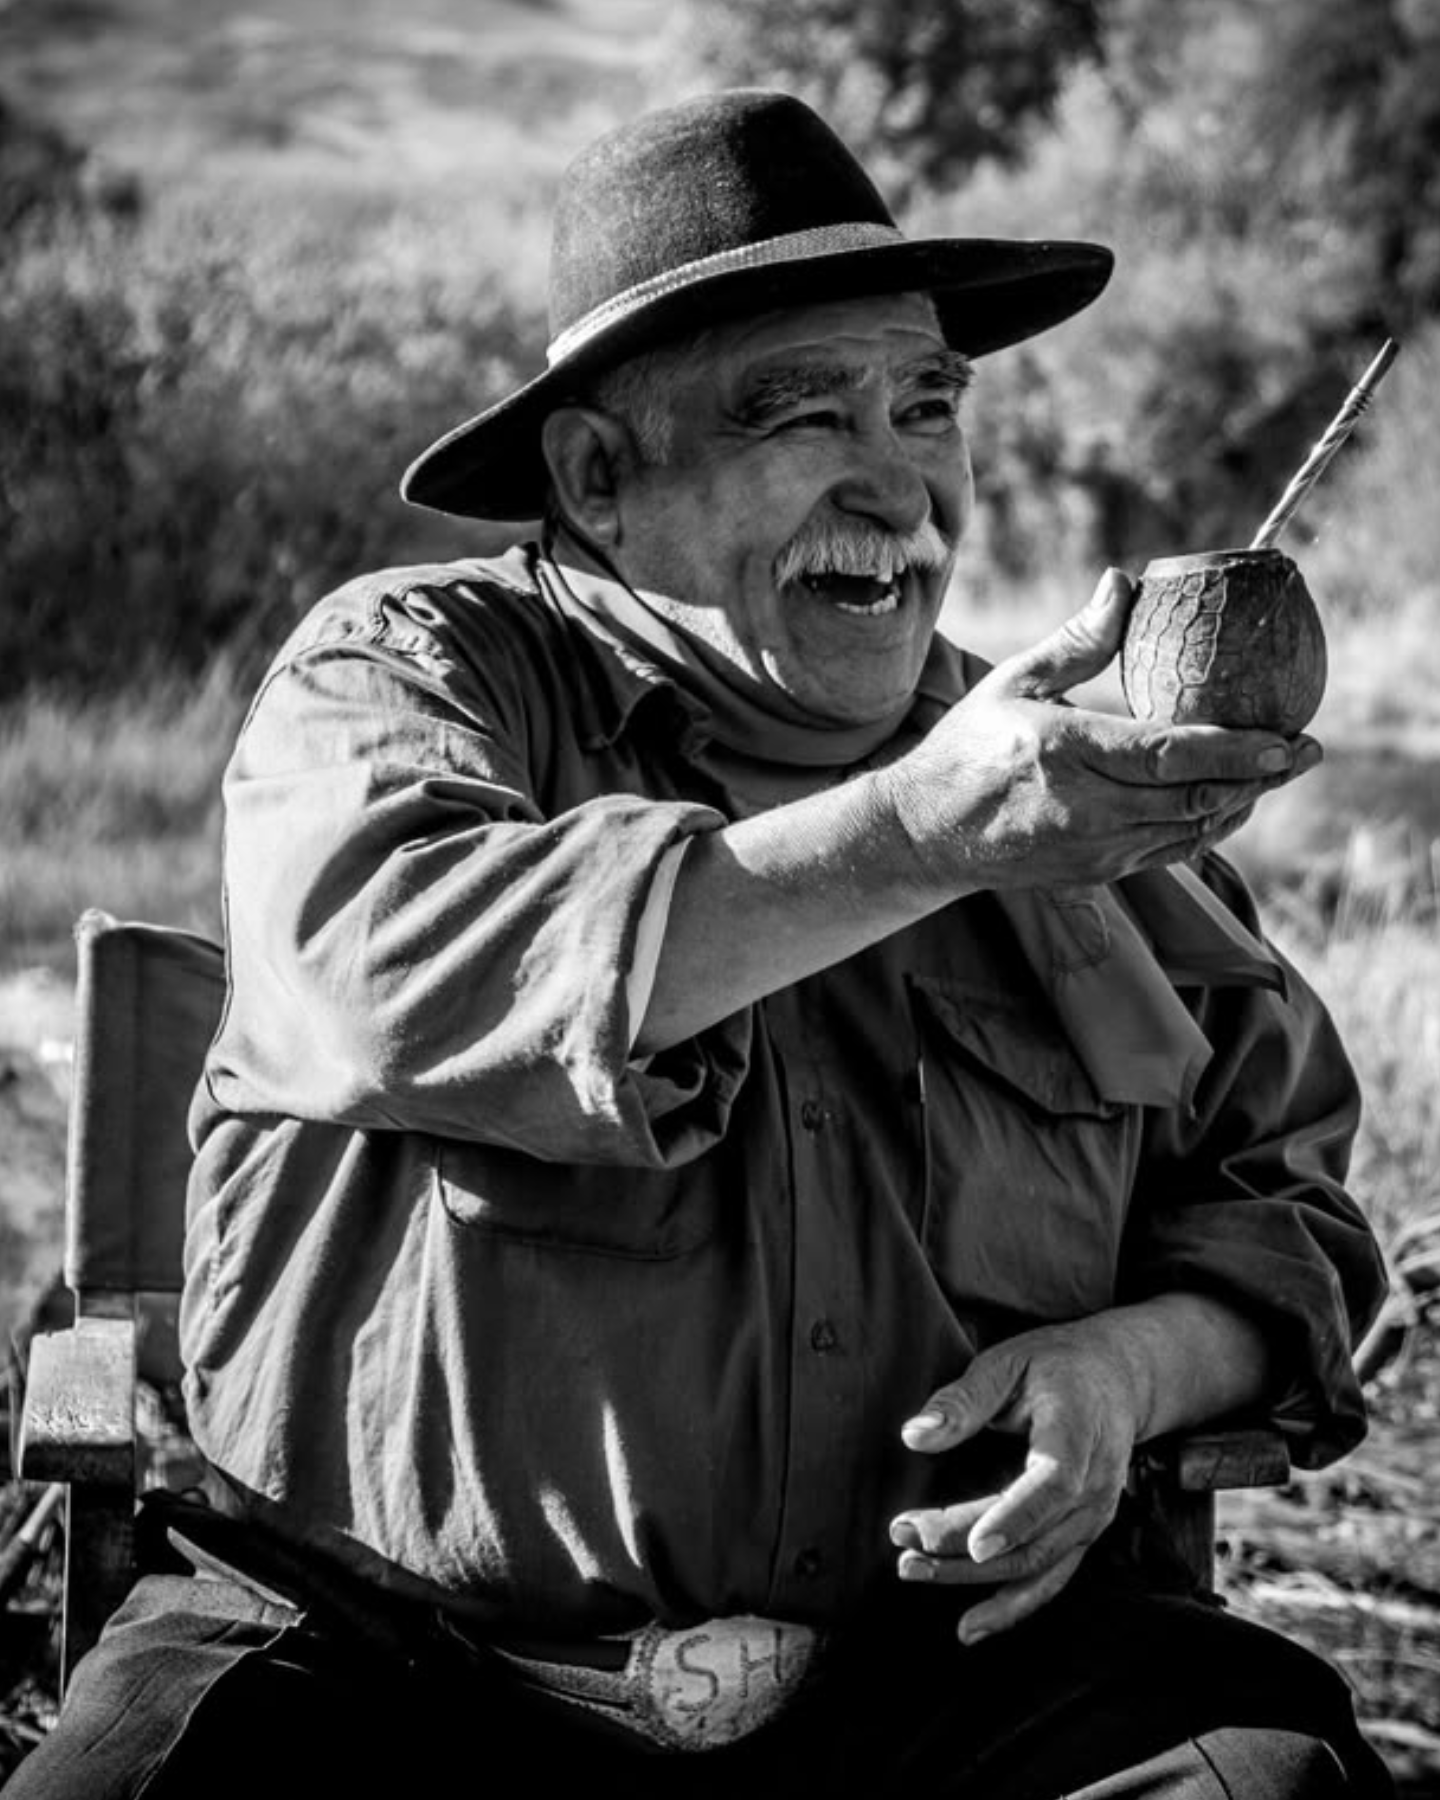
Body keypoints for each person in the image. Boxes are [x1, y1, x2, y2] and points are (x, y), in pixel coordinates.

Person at [10, 88, 1393, 1800]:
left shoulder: (1040, 784)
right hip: (388, 1665)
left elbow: (1294, 1216)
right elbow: (385, 978)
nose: (898, 480)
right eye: (802, 412)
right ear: (598, 474)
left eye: (927, 402)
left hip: (928, 1689)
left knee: (1260, 1772)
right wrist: (917, 836)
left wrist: (1136, 1365)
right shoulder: (414, 673)